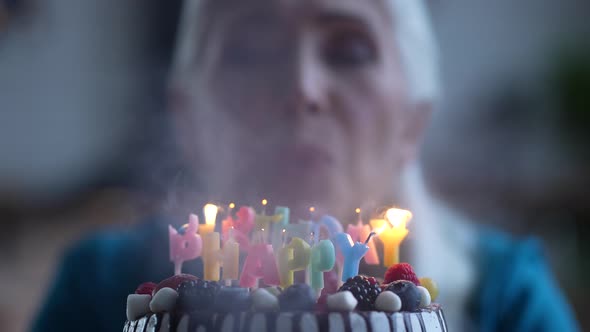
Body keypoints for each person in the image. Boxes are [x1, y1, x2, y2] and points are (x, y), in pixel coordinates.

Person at [31, 0, 580, 331]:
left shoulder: (502, 296)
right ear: (187, 115)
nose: (301, 88)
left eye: (350, 50)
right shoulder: (102, 291)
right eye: (249, 49)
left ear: (413, 121)